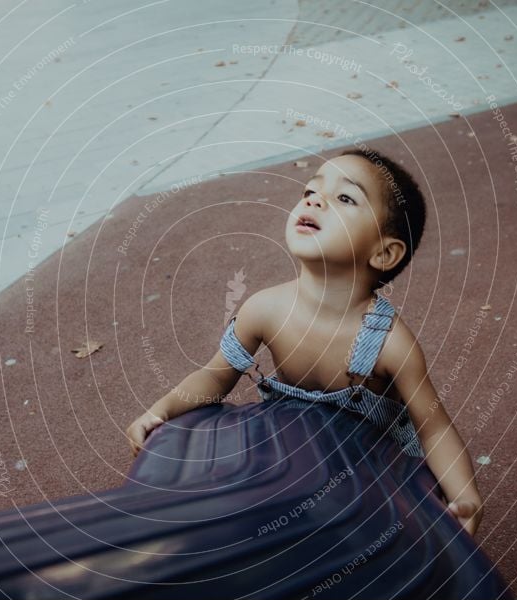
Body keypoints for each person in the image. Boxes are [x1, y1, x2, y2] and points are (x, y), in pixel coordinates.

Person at [125, 148, 484, 536]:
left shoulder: (389, 345)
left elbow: (433, 429)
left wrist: (464, 496)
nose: (314, 199)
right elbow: (214, 378)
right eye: (310, 190)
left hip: (370, 472)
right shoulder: (264, 309)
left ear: (384, 252)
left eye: (345, 198)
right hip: (289, 455)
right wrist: (161, 411)